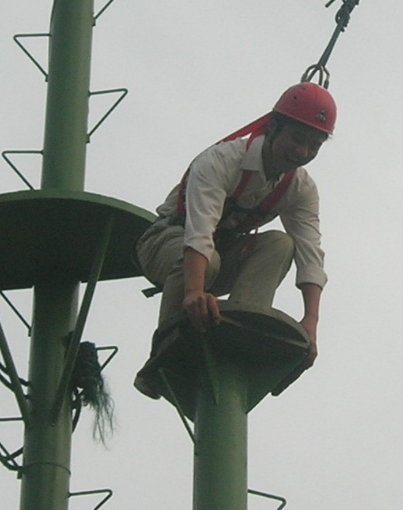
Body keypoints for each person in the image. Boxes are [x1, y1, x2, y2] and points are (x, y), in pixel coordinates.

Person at [131, 82, 333, 398]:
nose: (303, 152)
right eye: (297, 139)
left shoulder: (300, 189)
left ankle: (242, 330)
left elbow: (311, 254)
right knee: (208, 259)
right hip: (166, 242)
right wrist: (194, 293)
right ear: (274, 126)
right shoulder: (221, 161)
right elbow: (199, 232)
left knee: (281, 244)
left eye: (314, 146)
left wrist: (311, 322)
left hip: (218, 256)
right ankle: (164, 353)